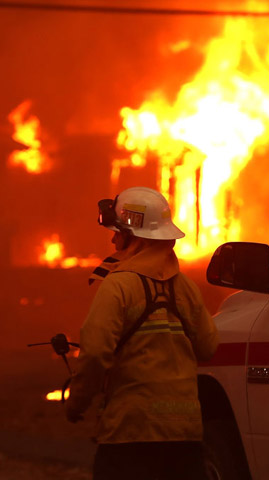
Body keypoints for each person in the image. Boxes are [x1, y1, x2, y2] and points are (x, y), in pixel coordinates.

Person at [65, 186, 219, 480]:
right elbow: (209, 347)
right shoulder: (185, 288)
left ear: (134, 236)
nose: (113, 239)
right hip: (185, 438)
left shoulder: (118, 286)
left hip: (129, 436)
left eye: (118, 232)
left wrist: (77, 402)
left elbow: (95, 354)